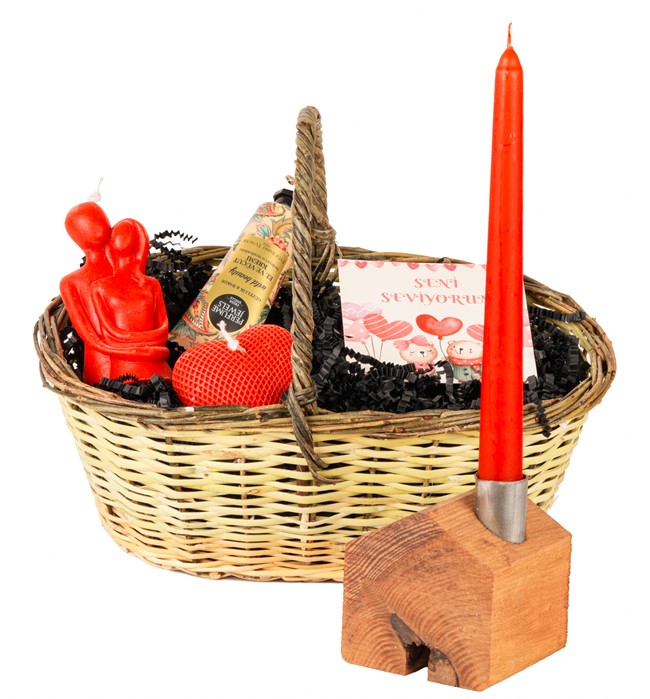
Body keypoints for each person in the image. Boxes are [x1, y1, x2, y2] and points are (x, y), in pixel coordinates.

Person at [90, 218, 171, 381]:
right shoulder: (99, 287)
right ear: (111, 243)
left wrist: (136, 344)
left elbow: (163, 330)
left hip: (158, 365)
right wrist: (143, 345)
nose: (121, 238)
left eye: (128, 234)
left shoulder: (152, 284)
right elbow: (109, 333)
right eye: (117, 234)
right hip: (123, 369)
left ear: (139, 243)